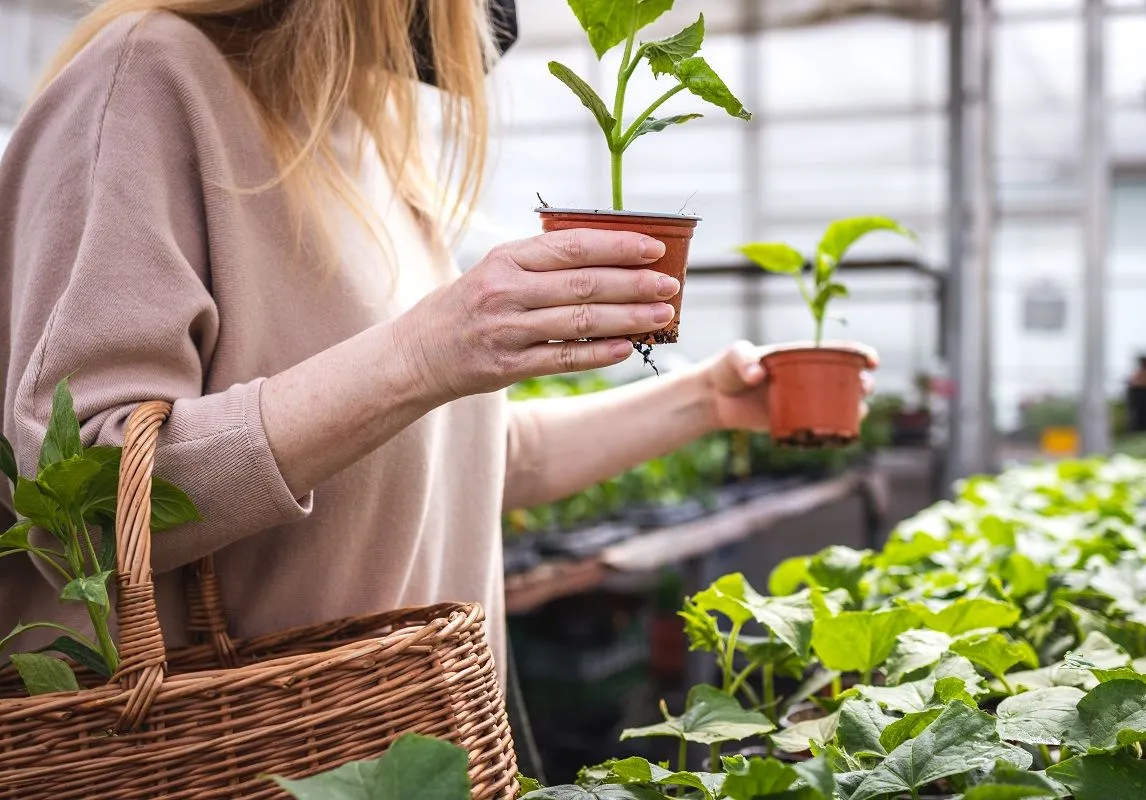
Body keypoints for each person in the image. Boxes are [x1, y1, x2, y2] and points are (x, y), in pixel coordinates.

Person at [0, 0, 874, 677]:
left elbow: (461, 456)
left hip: (421, 742)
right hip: (247, 758)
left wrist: (704, 400)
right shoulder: (149, 82)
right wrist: (424, 351)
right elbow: (80, 504)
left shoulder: (365, 141)